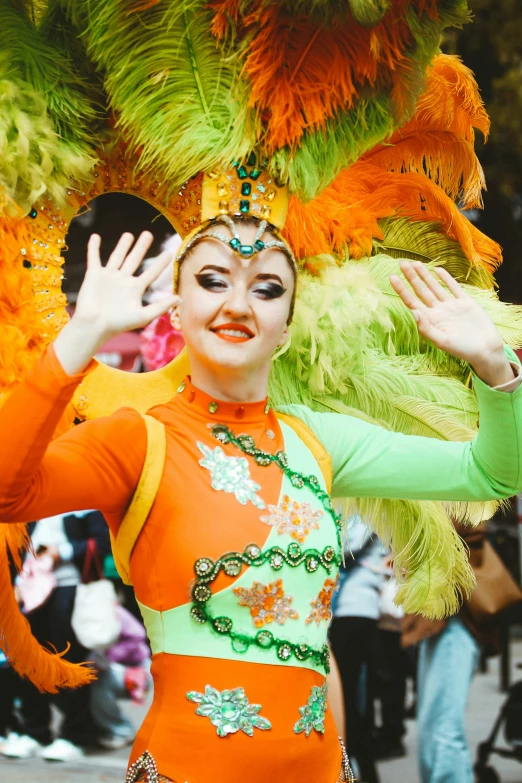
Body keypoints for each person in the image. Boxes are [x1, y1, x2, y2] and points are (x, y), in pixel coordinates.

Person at [0, 213, 521, 783]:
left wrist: (492, 366)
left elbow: (489, 474)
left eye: (267, 287)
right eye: (213, 280)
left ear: (289, 327)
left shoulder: (318, 441)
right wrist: (80, 337)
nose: (239, 304)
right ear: (177, 308)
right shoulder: (139, 438)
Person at [1, 510, 110, 761]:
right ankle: (35, 732)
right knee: (27, 662)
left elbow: (103, 544)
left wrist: (62, 551)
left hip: (71, 591)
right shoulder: (31, 508)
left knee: (72, 662)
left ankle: (74, 735)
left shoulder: (85, 505)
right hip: (30, 593)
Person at [329, 516, 387, 783]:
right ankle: (362, 766)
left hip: (353, 609)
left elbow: (343, 550)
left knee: (347, 695)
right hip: (355, 609)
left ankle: (352, 768)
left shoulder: (368, 508)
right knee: (355, 694)